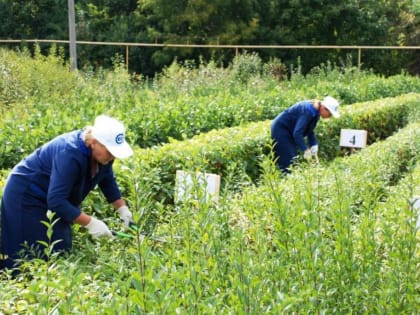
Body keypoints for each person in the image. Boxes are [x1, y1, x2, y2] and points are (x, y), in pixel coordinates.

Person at [0, 115, 134, 271]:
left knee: (60, 248)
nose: (112, 156)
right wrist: (91, 223)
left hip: (54, 196)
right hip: (26, 194)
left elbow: (107, 180)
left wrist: (123, 210)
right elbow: (56, 201)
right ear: (94, 141)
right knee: (27, 251)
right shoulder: (69, 152)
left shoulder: (104, 156)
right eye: (109, 150)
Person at [270, 96, 340, 173]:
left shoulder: (315, 112)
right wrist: (305, 149)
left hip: (289, 130)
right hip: (281, 129)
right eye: (330, 113)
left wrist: (314, 143)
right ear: (324, 108)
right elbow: (297, 133)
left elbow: (309, 130)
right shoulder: (308, 111)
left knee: (293, 158)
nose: (330, 116)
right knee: (289, 160)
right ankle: (285, 179)